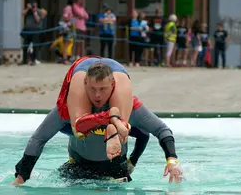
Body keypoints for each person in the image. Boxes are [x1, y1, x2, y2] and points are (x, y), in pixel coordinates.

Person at [11, 58, 183, 186]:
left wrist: (171, 161)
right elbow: (39, 138)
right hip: (78, 167)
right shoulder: (68, 109)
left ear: (113, 85)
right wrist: (22, 176)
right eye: (92, 89)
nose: (97, 96)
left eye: (103, 89)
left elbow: (160, 131)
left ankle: (113, 125)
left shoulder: (132, 107)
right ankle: (111, 120)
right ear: (85, 85)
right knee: (79, 126)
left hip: (115, 169)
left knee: (123, 126)